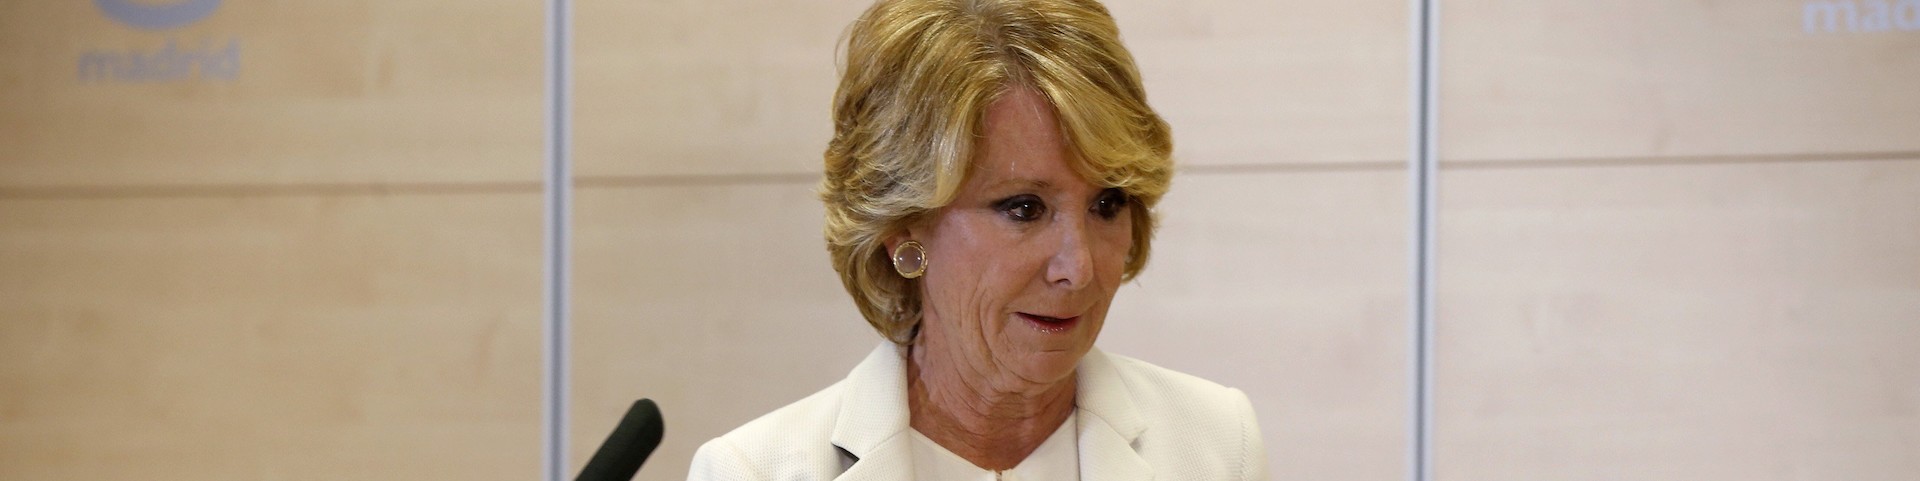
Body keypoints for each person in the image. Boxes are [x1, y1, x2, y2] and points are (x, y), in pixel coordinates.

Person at [688, 0, 1266, 479]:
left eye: (1107, 205)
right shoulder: (753, 470)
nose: (1079, 267)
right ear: (902, 228)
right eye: (1024, 208)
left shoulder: (1215, 444)